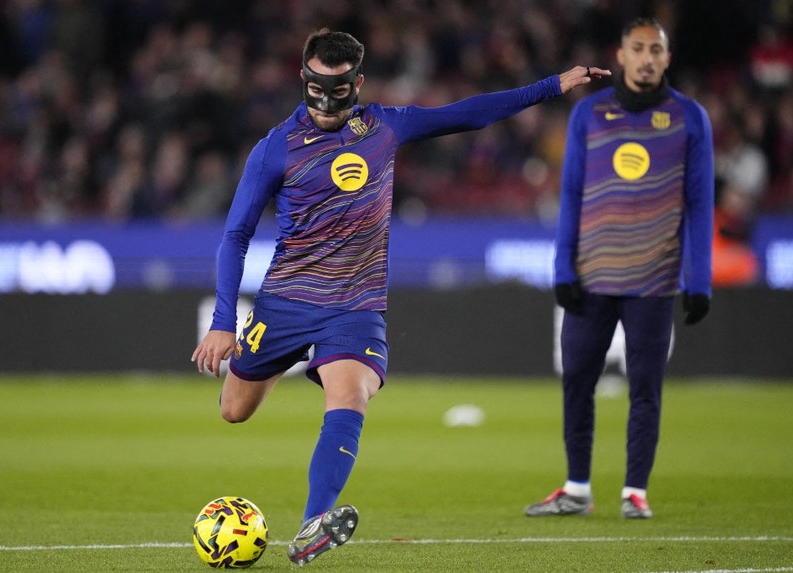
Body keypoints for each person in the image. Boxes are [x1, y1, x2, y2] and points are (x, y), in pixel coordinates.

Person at [191, 29, 609, 566]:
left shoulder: (383, 127)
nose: (325, 103)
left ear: (358, 83)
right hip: (285, 302)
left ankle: (313, 523)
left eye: (338, 90)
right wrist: (224, 320)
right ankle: (276, 377)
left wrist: (552, 85)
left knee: (350, 396)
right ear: (303, 80)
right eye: (317, 89)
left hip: (355, 306)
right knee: (233, 410)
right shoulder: (276, 148)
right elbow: (235, 237)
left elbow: (469, 113)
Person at [525, 17, 713, 520]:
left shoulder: (689, 117)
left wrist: (699, 280)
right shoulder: (589, 113)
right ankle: (577, 488)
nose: (647, 58)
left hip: (655, 278)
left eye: (656, 50)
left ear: (666, 58)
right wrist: (563, 269)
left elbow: (700, 203)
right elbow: (570, 193)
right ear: (622, 55)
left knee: (645, 388)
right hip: (591, 276)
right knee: (577, 382)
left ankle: (635, 491)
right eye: (638, 48)